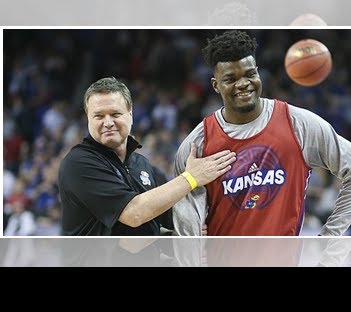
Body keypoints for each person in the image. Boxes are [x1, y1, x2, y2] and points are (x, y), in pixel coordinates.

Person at [172, 30, 351, 236]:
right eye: (230, 79)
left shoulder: (299, 124)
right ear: (216, 85)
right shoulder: (197, 144)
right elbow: (186, 229)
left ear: (258, 73)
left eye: (250, 74)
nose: (243, 83)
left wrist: (329, 241)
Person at [58, 77, 236, 236]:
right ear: (88, 119)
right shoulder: (79, 163)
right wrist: (191, 177)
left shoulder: (141, 164)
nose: (108, 123)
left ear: (130, 114)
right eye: (98, 116)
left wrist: (193, 224)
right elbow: (134, 214)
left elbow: (172, 216)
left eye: (115, 114)